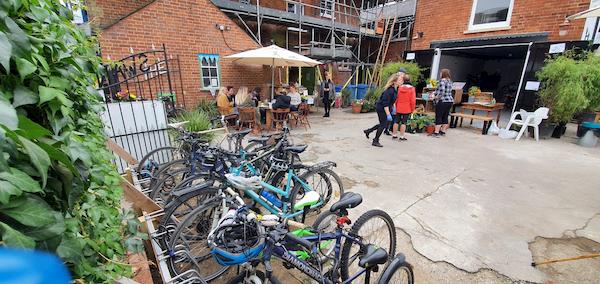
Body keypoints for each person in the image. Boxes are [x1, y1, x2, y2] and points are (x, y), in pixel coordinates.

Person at [363, 73, 400, 147]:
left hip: (386, 108)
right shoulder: (390, 90)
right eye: (400, 80)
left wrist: (393, 108)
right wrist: (388, 114)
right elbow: (385, 103)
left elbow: (391, 101)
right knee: (383, 124)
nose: (402, 81)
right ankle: (375, 140)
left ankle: (368, 131)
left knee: (383, 124)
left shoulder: (395, 89)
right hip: (382, 108)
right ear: (394, 81)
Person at [392, 73, 416, 140]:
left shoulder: (399, 87)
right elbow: (413, 100)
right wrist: (412, 109)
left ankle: (394, 135)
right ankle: (401, 136)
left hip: (399, 106)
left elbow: (396, 98)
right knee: (404, 122)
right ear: (410, 80)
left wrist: (396, 106)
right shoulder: (412, 89)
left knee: (396, 121)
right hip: (407, 108)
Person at [433, 69, 454, 137]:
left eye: (441, 73)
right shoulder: (450, 81)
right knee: (445, 116)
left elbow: (442, 92)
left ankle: (436, 132)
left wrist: (435, 97)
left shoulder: (441, 81)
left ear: (443, 74)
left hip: (442, 101)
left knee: (439, 116)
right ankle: (443, 132)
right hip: (449, 101)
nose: (440, 74)